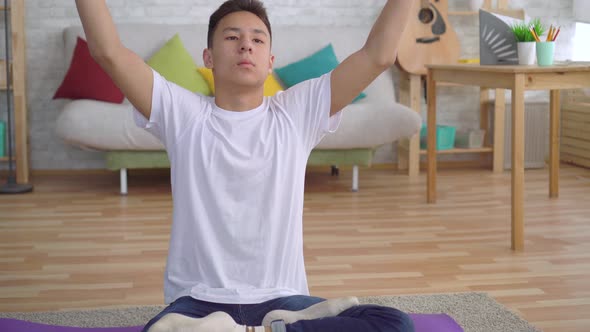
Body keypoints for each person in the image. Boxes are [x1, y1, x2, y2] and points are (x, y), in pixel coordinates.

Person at [74, 0, 414, 331]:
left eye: (257, 39)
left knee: (393, 323)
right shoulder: (182, 113)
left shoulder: (296, 112)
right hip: (198, 302)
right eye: (232, 37)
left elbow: (378, 56)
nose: (246, 46)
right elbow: (108, 52)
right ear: (208, 57)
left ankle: (263, 328)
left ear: (270, 61)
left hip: (284, 299)